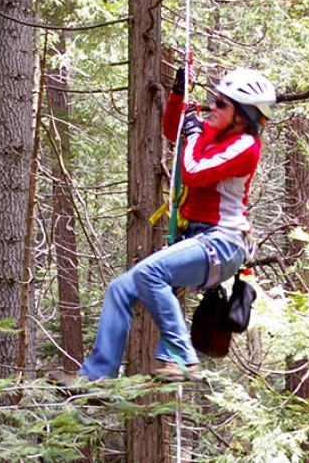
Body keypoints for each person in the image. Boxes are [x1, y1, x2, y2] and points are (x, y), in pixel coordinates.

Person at [76, 67, 276, 382]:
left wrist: (194, 133)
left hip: (222, 244)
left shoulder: (245, 146)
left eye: (221, 104)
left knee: (149, 273)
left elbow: (193, 169)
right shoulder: (214, 133)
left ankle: (182, 358)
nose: (212, 106)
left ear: (242, 117)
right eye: (214, 99)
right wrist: (178, 94)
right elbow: (174, 131)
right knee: (120, 289)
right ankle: (97, 375)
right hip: (200, 242)